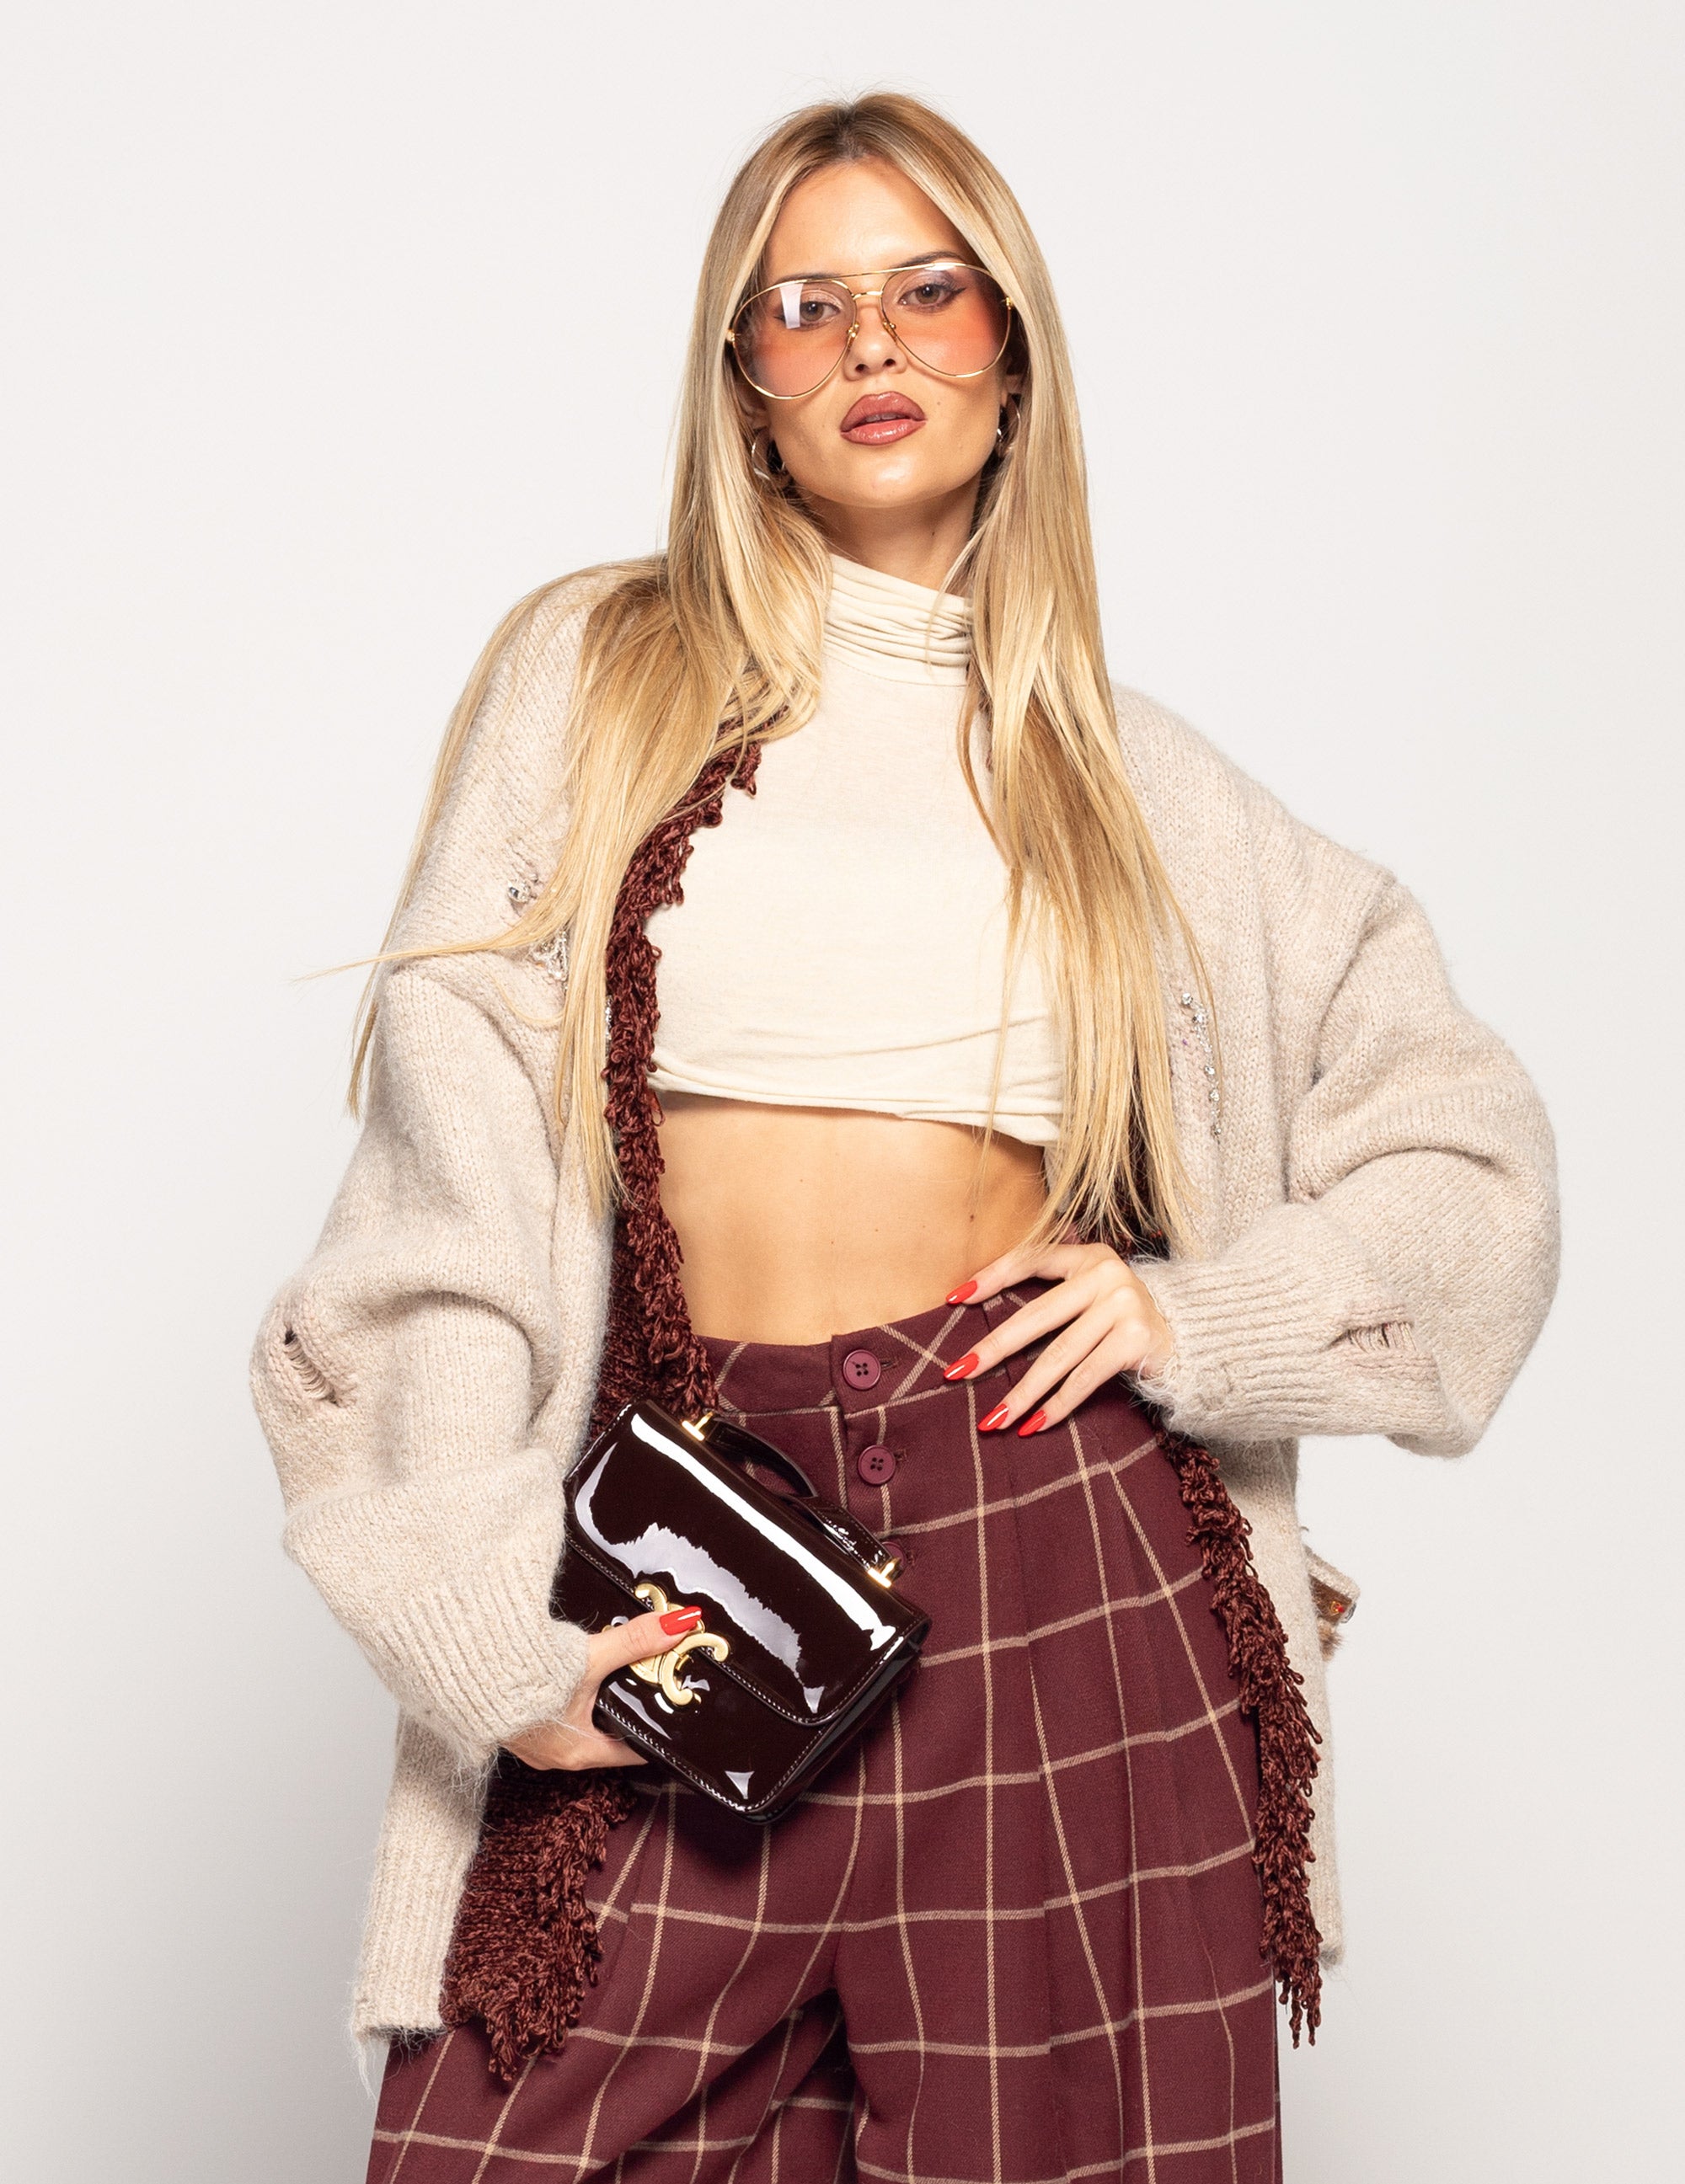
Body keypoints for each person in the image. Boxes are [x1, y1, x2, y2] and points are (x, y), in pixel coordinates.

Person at [253, 93, 1558, 2184]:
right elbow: (446, 1202)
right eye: (806, 305)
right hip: (698, 1547)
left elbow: (1464, 1151)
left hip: (1057, 1550)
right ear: (744, 386)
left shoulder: (1135, 790)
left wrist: (1199, 1318)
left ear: (1010, 352)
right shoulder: (594, 687)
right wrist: (491, 1637)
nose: (871, 343)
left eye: (929, 291)